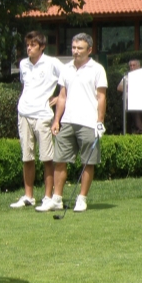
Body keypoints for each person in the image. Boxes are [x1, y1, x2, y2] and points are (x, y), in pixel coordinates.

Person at [41, 33, 107, 213]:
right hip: (68, 121)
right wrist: (57, 120)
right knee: (60, 160)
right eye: (74, 48)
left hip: (88, 122)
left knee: (88, 162)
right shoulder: (66, 68)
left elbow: (101, 97)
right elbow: (62, 96)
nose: (76, 52)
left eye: (80, 48)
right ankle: (57, 199)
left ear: (89, 50)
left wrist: (100, 121)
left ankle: (82, 198)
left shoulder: (97, 69)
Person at [9, 31, 62, 211]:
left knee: (47, 158)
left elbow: (68, 79)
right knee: (27, 156)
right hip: (24, 113)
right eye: (28, 45)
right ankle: (29, 197)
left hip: (43, 114)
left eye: (33, 45)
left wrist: (61, 97)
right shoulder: (23, 64)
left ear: (42, 47)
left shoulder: (52, 63)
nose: (29, 48)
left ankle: (48, 197)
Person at [116, 59, 142, 134]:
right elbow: (119, 87)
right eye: (130, 66)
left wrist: (128, 86)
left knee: (139, 124)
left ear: (139, 66)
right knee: (127, 124)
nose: (132, 67)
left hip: (137, 102)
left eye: (134, 65)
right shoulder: (127, 76)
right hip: (126, 102)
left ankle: (141, 137)